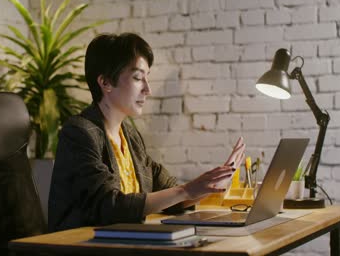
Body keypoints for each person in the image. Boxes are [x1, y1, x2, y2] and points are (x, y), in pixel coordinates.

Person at [48, 33, 245, 232]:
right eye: (137, 78)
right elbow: (110, 206)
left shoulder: (131, 137)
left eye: (146, 78)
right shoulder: (79, 133)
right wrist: (186, 191)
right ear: (105, 82)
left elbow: (170, 196)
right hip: (81, 247)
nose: (147, 89)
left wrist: (211, 185)